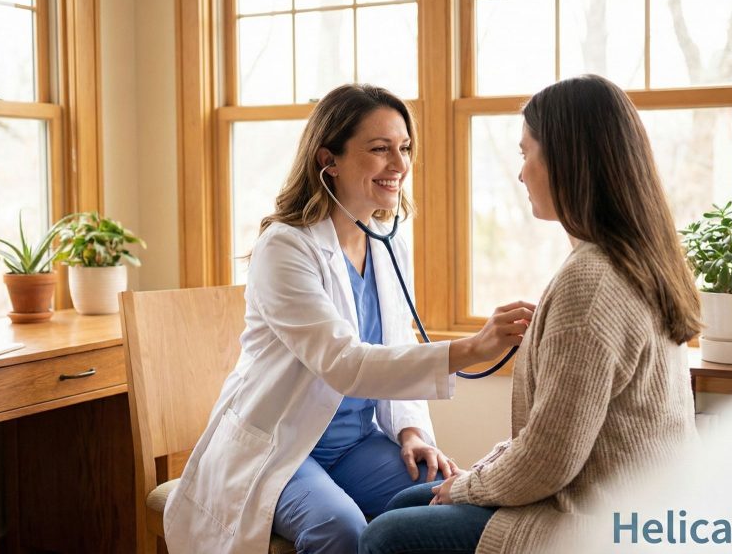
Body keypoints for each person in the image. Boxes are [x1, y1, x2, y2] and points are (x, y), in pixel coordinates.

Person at [162, 84, 535, 554]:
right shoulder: (285, 247)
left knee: (444, 498)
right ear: (328, 161)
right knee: (339, 529)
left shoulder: (387, 242)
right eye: (379, 149)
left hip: (357, 444)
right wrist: (472, 347)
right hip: (284, 445)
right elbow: (345, 362)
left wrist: (411, 430)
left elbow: (393, 347)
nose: (399, 165)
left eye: (404, 148)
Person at [359, 74, 703, 554]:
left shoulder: (592, 280)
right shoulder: (631, 256)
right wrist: (478, 475)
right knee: (405, 502)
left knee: (385, 536)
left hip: (594, 521)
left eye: (526, 153)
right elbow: (552, 438)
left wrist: (465, 485)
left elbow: (548, 461)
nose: (521, 173)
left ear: (566, 158)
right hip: (624, 504)